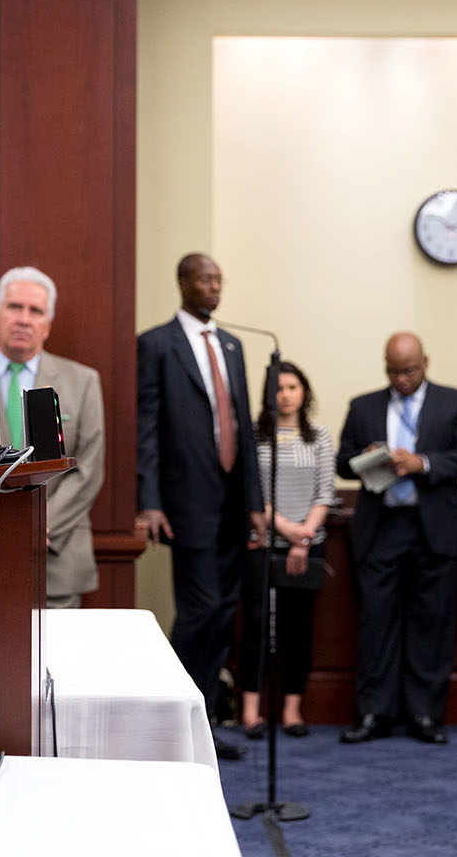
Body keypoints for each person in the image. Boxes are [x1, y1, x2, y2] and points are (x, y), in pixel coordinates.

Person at [136, 253, 262, 760]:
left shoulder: (231, 345)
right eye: (205, 279)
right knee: (200, 608)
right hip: (185, 500)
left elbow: (245, 427)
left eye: (218, 280)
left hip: (234, 502)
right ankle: (171, 715)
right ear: (182, 282)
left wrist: (256, 502)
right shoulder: (156, 344)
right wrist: (149, 500)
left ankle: (204, 722)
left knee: (223, 611)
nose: (214, 288)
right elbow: (145, 426)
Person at [335, 331, 457, 746]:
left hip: (434, 526)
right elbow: (343, 463)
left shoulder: (456, 402)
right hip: (381, 527)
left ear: (426, 363)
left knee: (431, 623)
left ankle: (425, 714)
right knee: (375, 622)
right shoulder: (363, 406)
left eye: (409, 370)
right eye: (393, 371)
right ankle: (373, 714)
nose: (401, 379)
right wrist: (366, 457)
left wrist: (423, 462)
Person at [0, 266, 105, 608]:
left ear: (47, 325)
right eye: (14, 307)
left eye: (35, 311)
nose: (24, 319)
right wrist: (3, 528)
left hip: (57, 558)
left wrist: (40, 524)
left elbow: (88, 470)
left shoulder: (83, 382)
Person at [238, 361, 337, 738]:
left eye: (293, 386)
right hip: (262, 542)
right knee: (257, 627)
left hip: (309, 545)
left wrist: (305, 536)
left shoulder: (320, 436)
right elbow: (253, 491)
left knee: (298, 630)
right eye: (278, 388)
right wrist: (284, 529)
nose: (286, 394)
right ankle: (251, 712)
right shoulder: (254, 436)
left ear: (304, 391)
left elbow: (325, 492)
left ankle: (292, 712)